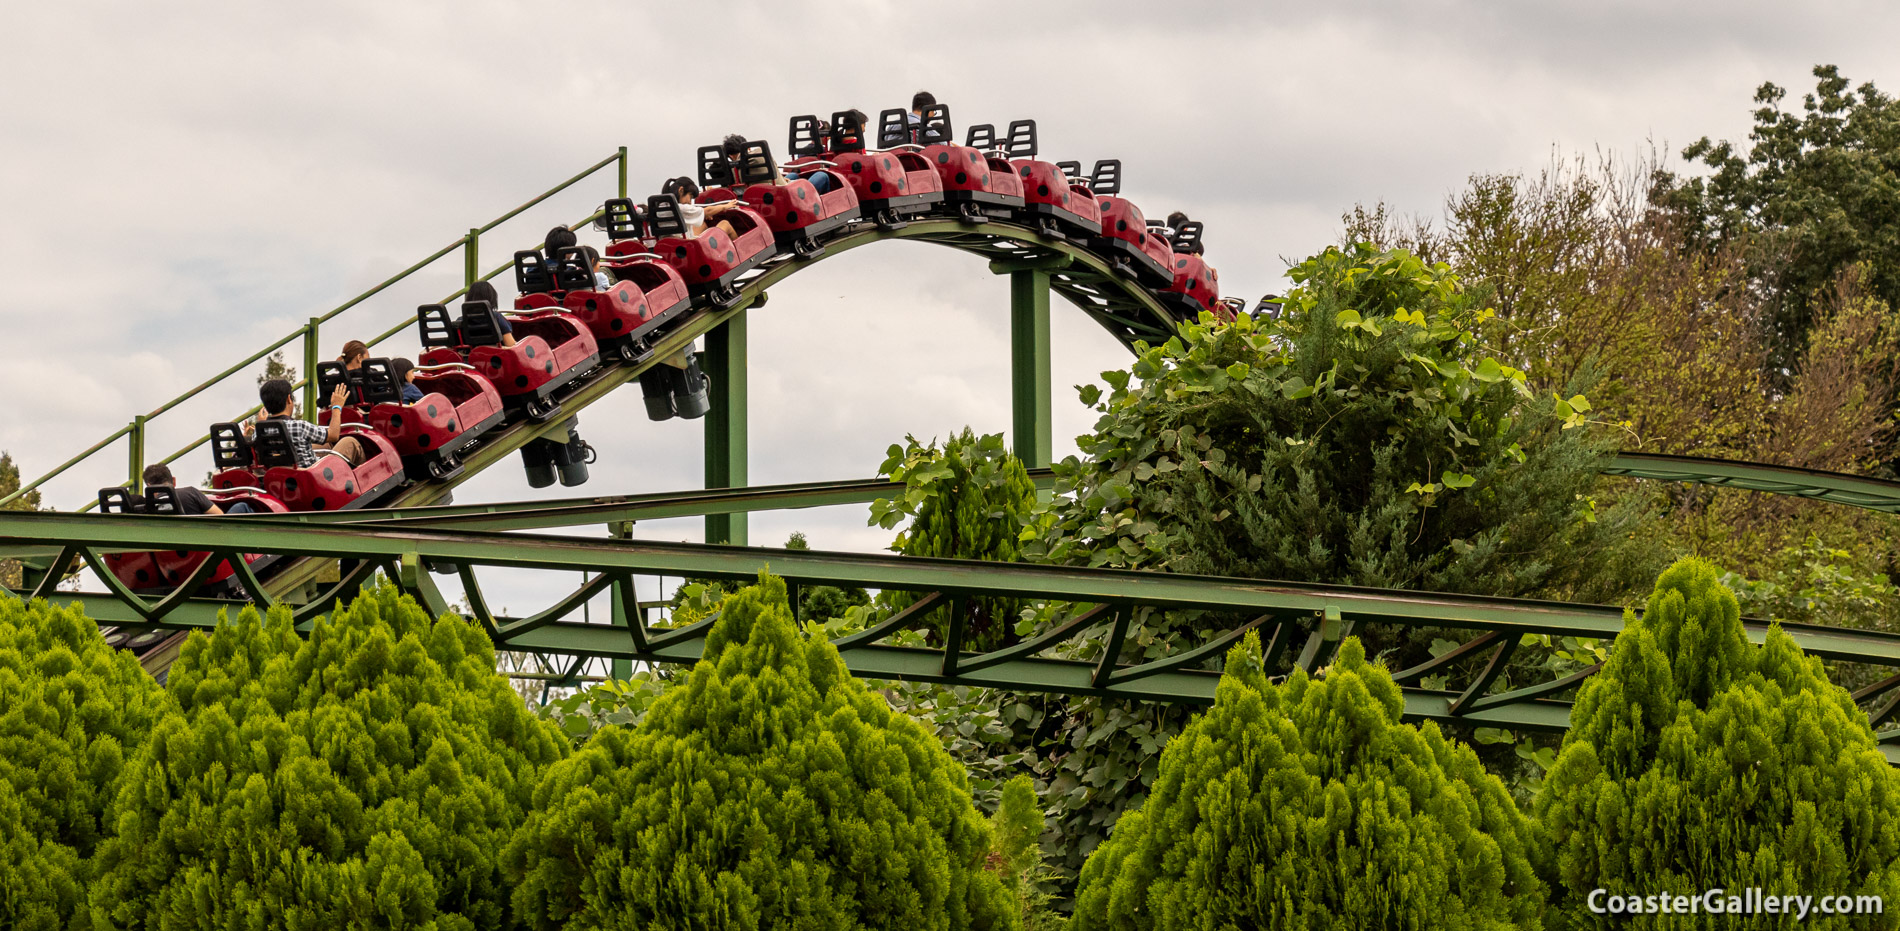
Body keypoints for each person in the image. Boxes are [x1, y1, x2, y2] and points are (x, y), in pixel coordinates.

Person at [248, 377, 367, 468]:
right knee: (350, 442)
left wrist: (262, 424)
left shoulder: (258, 433)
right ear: (289, 399)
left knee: (326, 445)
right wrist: (336, 407)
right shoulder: (300, 427)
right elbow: (334, 435)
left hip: (284, 475)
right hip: (313, 474)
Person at [140, 463, 252, 514]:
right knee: (242, 506)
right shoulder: (190, 493)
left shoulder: (145, 508)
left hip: (171, 557)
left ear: (149, 486)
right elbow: (219, 516)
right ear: (173, 481)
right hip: (206, 550)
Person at [465, 280, 517, 347]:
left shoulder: (461, 320)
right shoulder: (496, 317)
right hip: (494, 355)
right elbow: (510, 344)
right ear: (491, 298)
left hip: (470, 355)